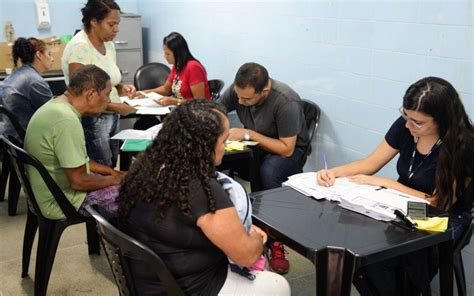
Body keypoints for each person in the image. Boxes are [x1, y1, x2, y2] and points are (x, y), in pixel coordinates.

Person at [316, 76, 473, 295]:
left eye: (417, 122)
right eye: (405, 116)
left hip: (446, 217)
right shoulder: (406, 126)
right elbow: (370, 163)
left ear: (442, 119)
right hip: (403, 204)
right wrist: (333, 172)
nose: (407, 125)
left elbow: (438, 203)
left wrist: (387, 183)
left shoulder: (463, 145)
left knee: (393, 258)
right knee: (358, 247)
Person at [117, 99, 290, 295]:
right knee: (278, 285)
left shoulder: (147, 168)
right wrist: (255, 239)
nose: (225, 147)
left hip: (148, 281)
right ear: (205, 144)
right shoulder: (200, 189)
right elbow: (247, 256)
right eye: (224, 140)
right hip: (188, 287)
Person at [218, 62, 309, 274]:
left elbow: (287, 149)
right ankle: (234, 229)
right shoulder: (239, 90)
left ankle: (276, 243)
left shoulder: (286, 101)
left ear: (264, 91)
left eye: (247, 99)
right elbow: (217, 109)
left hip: (289, 151)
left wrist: (248, 134)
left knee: (268, 172)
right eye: (238, 96)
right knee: (219, 161)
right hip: (255, 145)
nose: (240, 102)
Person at [24, 65, 125, 220]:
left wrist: (111, 172)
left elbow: (79, 161)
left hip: (48, 192)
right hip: (60, 200)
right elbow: (79, 181)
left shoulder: (57, 106)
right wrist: (114, 179)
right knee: (136, 197)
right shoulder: (66, 120)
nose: (109, 100)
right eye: (107, 94)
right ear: (91, 94)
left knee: (126, 183)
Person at [61, 0, 136, 168]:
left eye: (117, 24)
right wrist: (117, 107)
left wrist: (121, 87)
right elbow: (81, 96)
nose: (116, 29)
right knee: (101, 167)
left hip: (111, 114)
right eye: (111, 24)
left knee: (110, 161)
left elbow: (108, 80)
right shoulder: (80, 47)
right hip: (93, 119)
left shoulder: (108, 44)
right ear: (94, 21)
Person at [0, 37, 53, 138]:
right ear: (39, 55)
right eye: (49, 54)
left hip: (6, 138)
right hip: (20, 140)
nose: (52, 59)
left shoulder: (15, 75)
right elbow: (53, 114)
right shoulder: (35, 81)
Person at [138, 32, 211, 106]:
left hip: (196, 113)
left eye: (168, 54)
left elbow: (199, 102)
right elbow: (165, 89)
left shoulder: (193, 67)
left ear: (178, 53)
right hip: (181, 110)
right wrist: (143, 93)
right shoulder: (177, 66)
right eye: (164, 53)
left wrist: (174, 102)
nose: (165, 56)